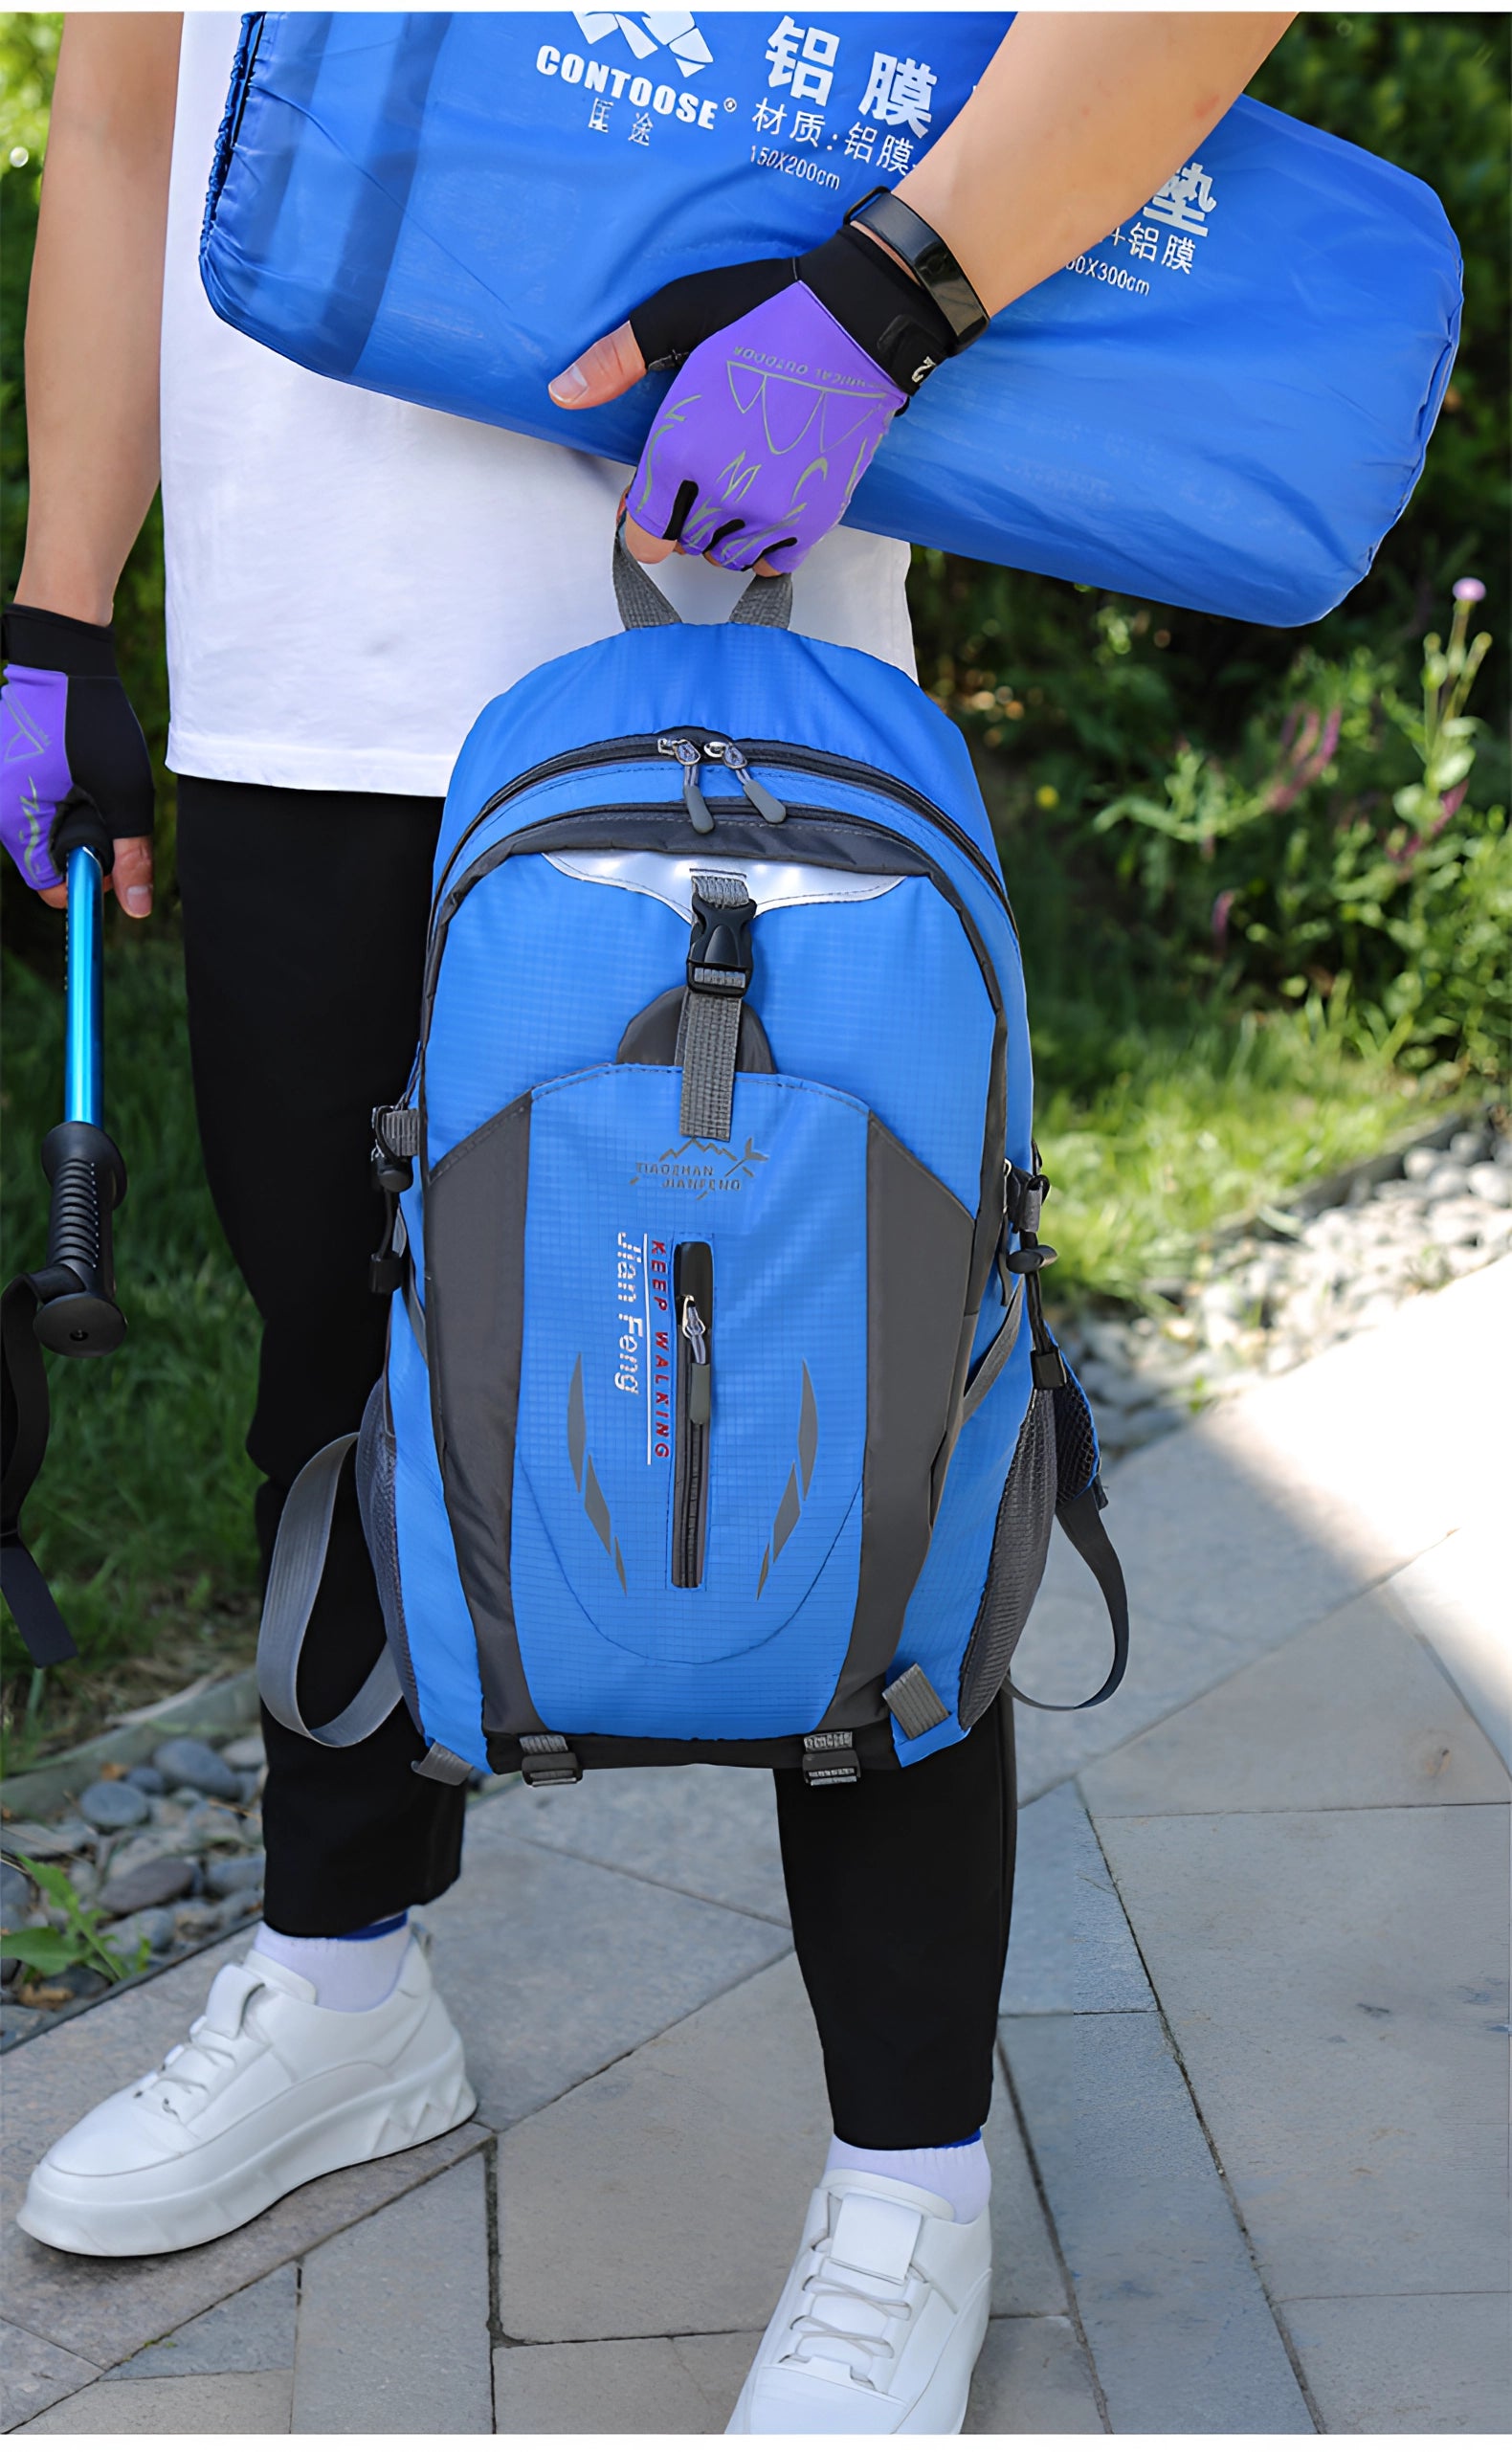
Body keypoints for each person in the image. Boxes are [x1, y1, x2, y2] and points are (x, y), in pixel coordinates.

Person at [3, 12, 1290, 2430]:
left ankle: (910, 2186)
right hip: (300, 700)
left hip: (736, 680)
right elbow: (122, 98)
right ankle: (344, 1989)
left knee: (858, 1412)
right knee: (337, 1387)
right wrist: (61, 600)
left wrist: (890, 294)